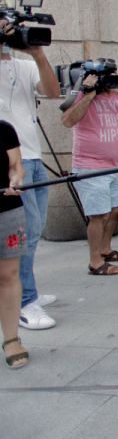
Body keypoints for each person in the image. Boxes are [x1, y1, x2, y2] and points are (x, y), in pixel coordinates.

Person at [62, 67, 118, 275]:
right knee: (98, 215)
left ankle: (105, 249)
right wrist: (89, 93)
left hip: (116, 164)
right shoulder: (84, 97)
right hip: (90, 166)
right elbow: (67, 120)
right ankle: (95, 262)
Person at [0, 24, 61, 331]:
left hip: (34, 157)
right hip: (9, 161)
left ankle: (26, 288)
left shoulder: (23, 66)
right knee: (21, 235)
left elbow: (53, 92)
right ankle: (24, 302)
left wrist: (38, 56)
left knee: (33, 232)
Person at [1, 120, 29, 368]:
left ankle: (11, 339)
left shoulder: (4, 129)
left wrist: (16, 180)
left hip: (7, 210)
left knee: (9, 275)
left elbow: (16, 168)